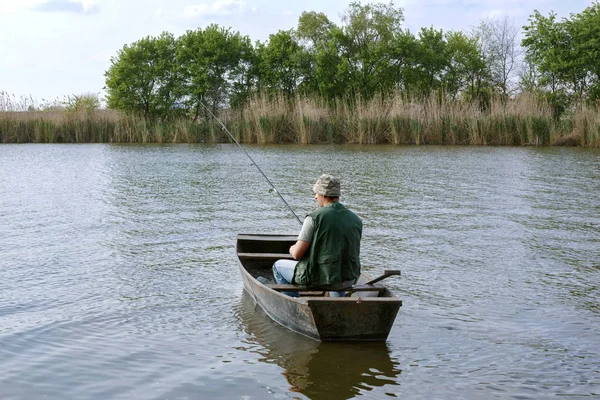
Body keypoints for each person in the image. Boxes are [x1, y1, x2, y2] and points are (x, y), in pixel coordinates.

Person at [272, 174, 363, 297]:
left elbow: (297, 255)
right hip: (349, 279)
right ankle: (339, 304)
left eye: (316, 193)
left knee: (277, 267)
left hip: (319, 279)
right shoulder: (356, 219)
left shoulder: (314, 217)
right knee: (336, 274)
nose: (315, 197)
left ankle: (295, 303)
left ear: (323, 194)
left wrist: (291, 248)